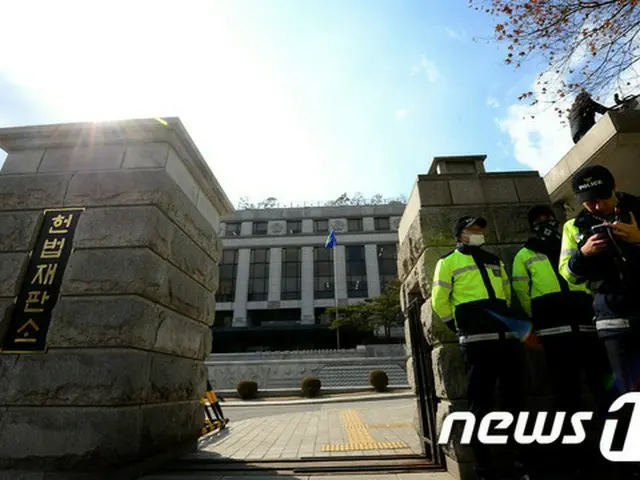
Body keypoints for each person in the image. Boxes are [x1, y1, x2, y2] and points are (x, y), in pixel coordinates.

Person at [512, 206, 613, 477]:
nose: (546, 224)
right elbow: (522, 292)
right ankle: (577, 457)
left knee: (603, 389)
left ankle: (617, 451)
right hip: (554, 332)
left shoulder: (572, 244)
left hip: (587, 326)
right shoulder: (524, 254)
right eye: (539, 221)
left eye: (549, 219)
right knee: (566, 395)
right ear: (532, 225)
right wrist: (538, 318)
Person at [432, 215, 530, 480]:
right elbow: (439, 301)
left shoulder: (494, 260)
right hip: (476, 343)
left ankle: (521, 461)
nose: (477, 233)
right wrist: (459, 326)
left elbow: (507, 294)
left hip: (506, 341)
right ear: (459, 235)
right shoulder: (448, 262)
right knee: (481, 404)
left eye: (480, 229)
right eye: (471, 229)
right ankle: (484, 466)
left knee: (515, 402)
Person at [559, 165, 640, 397]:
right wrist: (583, 253)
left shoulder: (637, 209)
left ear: (614, 186)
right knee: (631, 393)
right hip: (613, 321)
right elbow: (569, 275)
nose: (596, 205)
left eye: (602, 197)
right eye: (588, 201)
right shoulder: (573, 227)